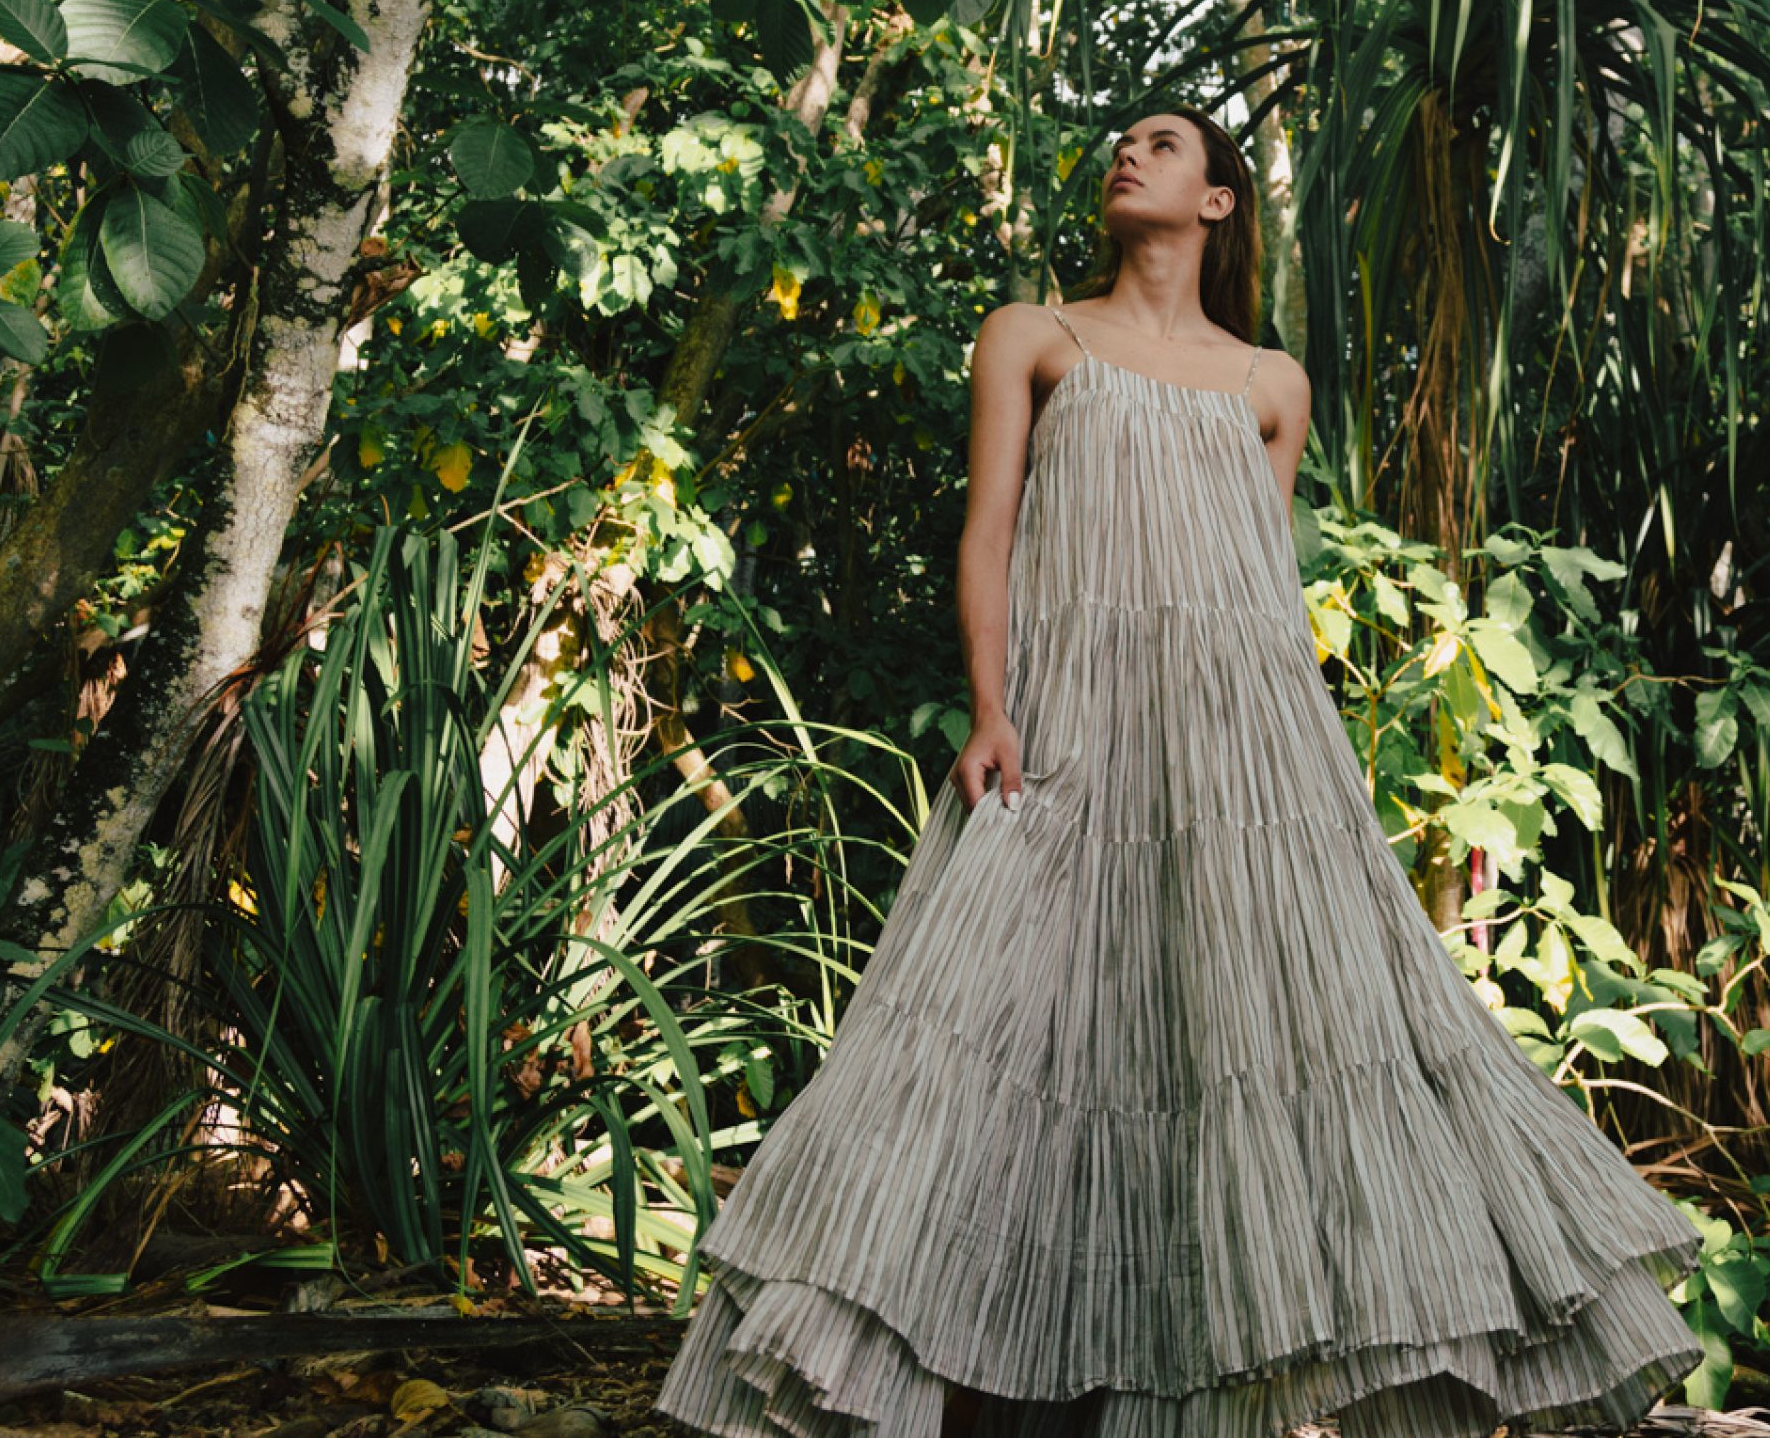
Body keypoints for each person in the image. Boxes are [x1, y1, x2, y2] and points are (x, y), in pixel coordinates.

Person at [652, 108, 1703, 1438]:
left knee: (1232, 1053)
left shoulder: (1271, 383)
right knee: (993, 1032)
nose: (1127, 155)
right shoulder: (1033, 336)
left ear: (1218, 204)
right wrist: (990, 705)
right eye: (1121, 143)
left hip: (1239, 767)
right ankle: (947, 1379)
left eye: (1163, 143)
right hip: (1065, 733)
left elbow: (1257, 597)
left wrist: (1307, 780)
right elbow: (988, 534)